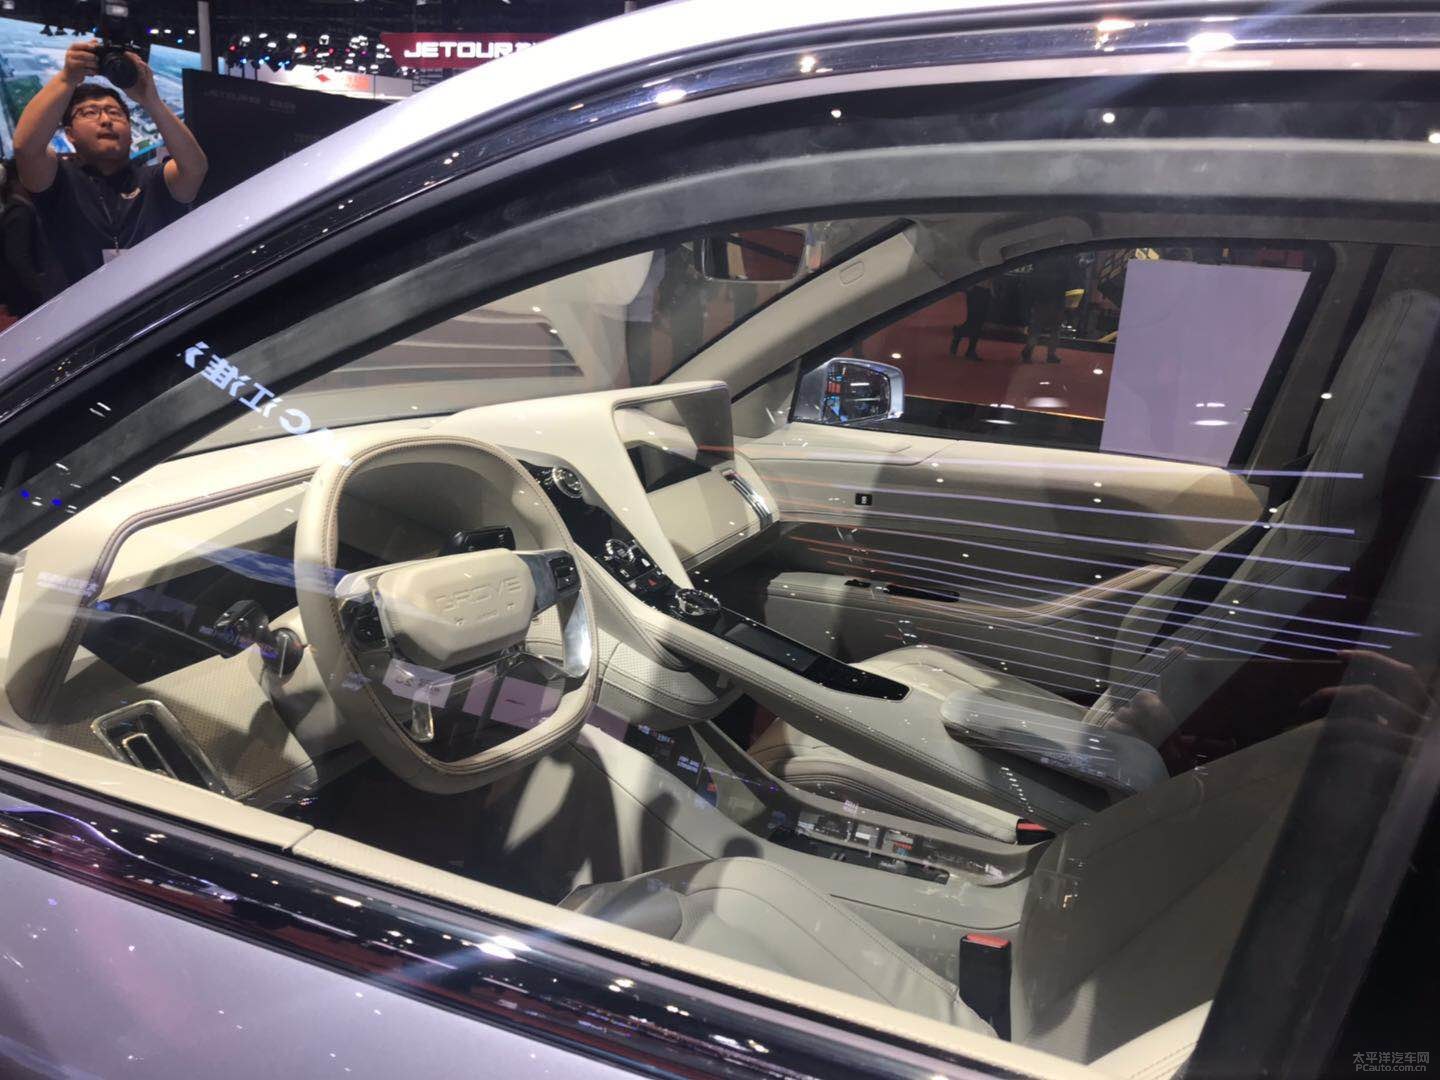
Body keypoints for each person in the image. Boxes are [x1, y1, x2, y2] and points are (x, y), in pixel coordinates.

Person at [12, 40, 208, 289]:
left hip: (153, 309)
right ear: (70, 133)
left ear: (130, 129)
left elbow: (195, 168)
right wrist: (66, 79)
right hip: (81, 312)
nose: (105, 120)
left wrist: (151, 101)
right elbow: (26, 148)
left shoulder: (154, 181)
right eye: (90, 112)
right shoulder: (58, 179)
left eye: (115, 113)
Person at [948, 281, 992, 361]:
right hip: (977, 290)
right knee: (973, 321)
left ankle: (970, 350)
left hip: (985, 291)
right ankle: (958, 334)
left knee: (979, 323)